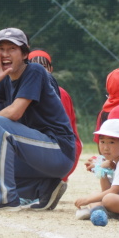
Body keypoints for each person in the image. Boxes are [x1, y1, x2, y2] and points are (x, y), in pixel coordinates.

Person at [0, 28, 76, 211]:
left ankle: (5, 199)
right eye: (1, 49)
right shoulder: (4, 79)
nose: (5, 54)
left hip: (57, 150)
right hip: (34, 154)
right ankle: (45, 187)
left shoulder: (35, 71)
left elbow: (15, 112)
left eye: (12, 49)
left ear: (25, 53)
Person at [28, 48, 82, 176]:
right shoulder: (25, 93)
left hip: (62, 149)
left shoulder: (59, 93)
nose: (40, 72)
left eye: (43, 68)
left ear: (50, 70)